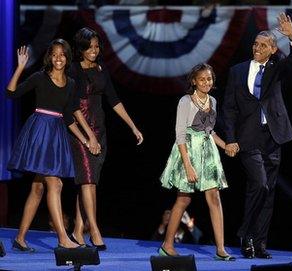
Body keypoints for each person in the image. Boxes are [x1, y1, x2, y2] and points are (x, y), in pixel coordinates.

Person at [6, 39, 100, 250]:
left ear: (67, 58)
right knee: (55, 184)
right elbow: (11, 93)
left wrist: (86, 139)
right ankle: (63, 238)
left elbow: (68, 117)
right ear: (50, 57)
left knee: (39, 187)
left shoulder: (72, 83)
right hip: (40, 132)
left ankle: (20, 238)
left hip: (57, 133)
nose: (58, 58)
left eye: (63, 54)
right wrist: (20, 67)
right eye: (55, 54)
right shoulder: (40, 77)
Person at [222, 13, 292, 259]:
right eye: (255, 44)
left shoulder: (276, 67)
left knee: (267, 193)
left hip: (273, 136)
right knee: (260, 183)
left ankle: (259, 244)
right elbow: (229, 108)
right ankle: (246, 235)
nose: (257, 48)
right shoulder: (237, 71)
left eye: (263, 45)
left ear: (273, 49)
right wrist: (231, 138)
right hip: (247, 138)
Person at [67, 27, 143, 250]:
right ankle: (95, 230)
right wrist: (89, 137)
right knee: (88, 181)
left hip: (100, 130)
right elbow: (74, 108)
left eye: (96, 46)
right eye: (89, 47)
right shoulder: (74, 70)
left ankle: (77, 231)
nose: (93, 50)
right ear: (80, 48)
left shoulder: (102, 69)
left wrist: (133, 127)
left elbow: (114, 100)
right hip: (81, 131)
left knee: (87, 182)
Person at [159, 63, 235, 261]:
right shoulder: (186, 101)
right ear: (194, 81)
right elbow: (180, 134)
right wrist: (188, 165)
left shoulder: (213, 101)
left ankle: (220, 248)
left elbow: (209, 131)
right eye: (202, 79)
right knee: (183, 199)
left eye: (209, 79)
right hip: (188, 152)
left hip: (208, 153)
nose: (206, 82)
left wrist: (225, 145)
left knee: (214, 197)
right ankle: (167, 245)